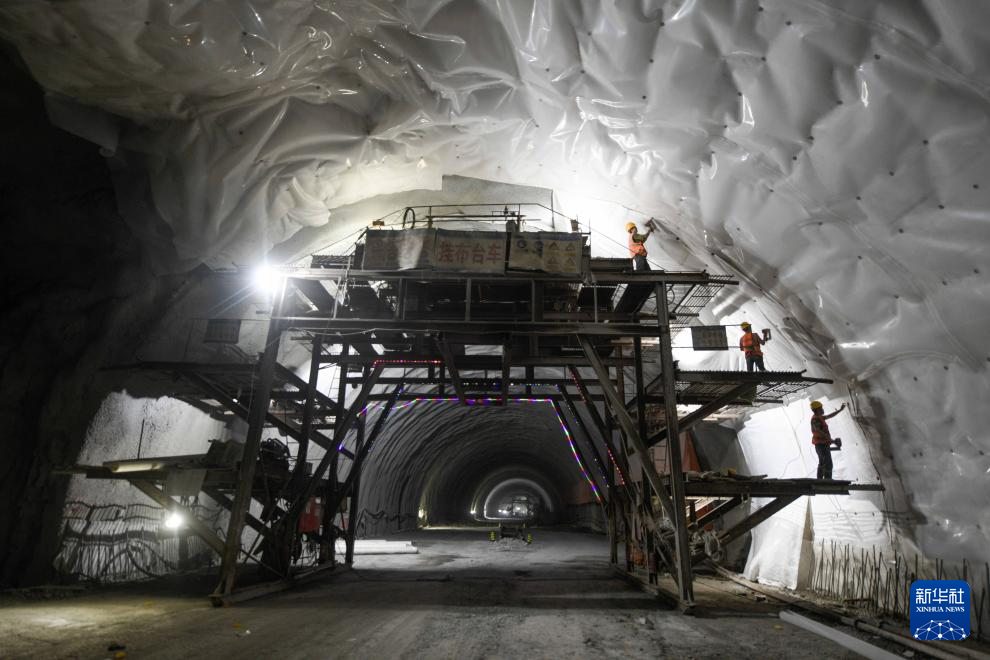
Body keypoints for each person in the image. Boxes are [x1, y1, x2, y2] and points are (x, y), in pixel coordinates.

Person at [810, 400, 846, 479]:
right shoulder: (815, 420)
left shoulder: (819, 417)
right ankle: (827, 480)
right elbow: (819, 431)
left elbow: (830, 416)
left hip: (821, 444)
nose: (822, 409)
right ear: (816, 409)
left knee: (823, 463)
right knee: (828, 463)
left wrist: (840, 410)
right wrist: (831, 440)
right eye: (821, 408)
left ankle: (820, 480)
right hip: (821, 445)